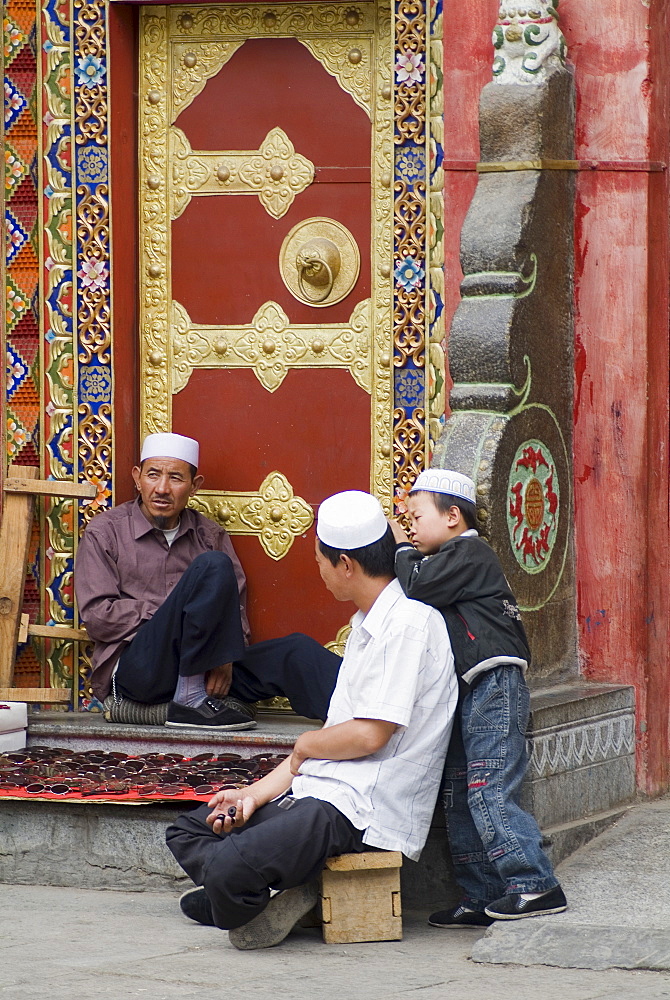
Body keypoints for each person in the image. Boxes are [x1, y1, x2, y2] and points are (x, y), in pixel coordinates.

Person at [166, 490, 459, 950]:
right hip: (316, 792)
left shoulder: (409, 624)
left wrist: (303, 746)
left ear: (346, 564)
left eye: (320, 561)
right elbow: (331, 739)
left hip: (355, 811)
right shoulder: (368, 624)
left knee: (225, 867)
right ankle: (264, 890)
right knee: (187, 830)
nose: (318, 571)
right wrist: (251, 795)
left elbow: (369, 735)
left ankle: (244, 892)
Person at [391, 468, 567, 923]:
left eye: (415, 515)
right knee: (459, 792)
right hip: (468, 688)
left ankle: (535, 884)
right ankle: (483, 893)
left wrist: (400, 548)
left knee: (488, 786)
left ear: (453, 516)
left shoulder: (469, 551)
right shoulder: (454, 554)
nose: (409, 524)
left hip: (494, 682)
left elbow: (417, 586)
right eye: (406, 519)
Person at [74, 432, 340, 730]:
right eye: (153, 475)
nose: (162, 488)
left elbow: (235, 611)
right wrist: (179, 616)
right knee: (212, 566)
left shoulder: (209, 535)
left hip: (208, 671)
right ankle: (190, 698)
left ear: (194, 486)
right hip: (143, 670)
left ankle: (360, 717)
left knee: (296, 652)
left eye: (175, 478)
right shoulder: (106, 532)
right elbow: (98, 617)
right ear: (137, 478)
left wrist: (223, 655)